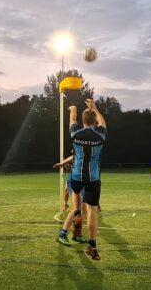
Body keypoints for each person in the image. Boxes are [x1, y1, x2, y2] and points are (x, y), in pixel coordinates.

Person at [56, 99, 106, 261]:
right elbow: (102, 121)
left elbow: (72, 119)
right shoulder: (100, 134)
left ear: (83, 121)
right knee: (92, 211)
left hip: (76, 177)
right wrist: (95, 108)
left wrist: (73, 108)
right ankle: (92, 245)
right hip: (93, 179)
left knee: (77, 209)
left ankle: (68, 232)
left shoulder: (75, 134)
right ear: (95, 121)